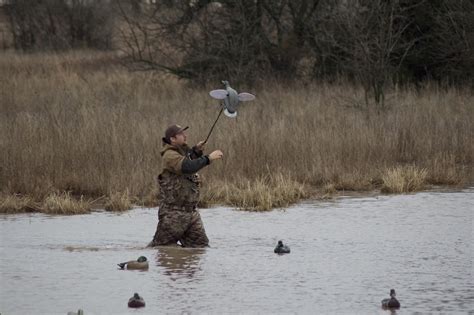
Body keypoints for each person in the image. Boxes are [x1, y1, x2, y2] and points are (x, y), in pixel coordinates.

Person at [147, 124, 223, 248]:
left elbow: (188, 159)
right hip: (174, 214)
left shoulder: (180, 153)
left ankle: (188, 267)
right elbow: (187, 167)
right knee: (162, 247)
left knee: (200, 247)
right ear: (173, 139)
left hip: (191, 213)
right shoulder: (169, 155)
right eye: (181, 134)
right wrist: (208, 158)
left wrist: (196, 151)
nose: (185, 136)